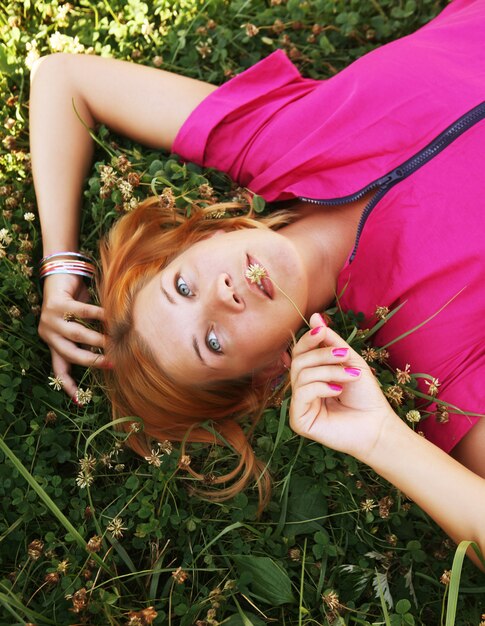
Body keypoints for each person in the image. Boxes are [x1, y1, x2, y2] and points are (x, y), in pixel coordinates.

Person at [30, 0, 485, 567]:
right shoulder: (437, 350)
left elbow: (63, 78)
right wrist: (382, 440)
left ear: (200, 239)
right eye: (212, 342)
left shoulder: (272, 137)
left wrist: (61, 265)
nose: (223, 295)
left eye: (183, 287)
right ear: (269, 371)